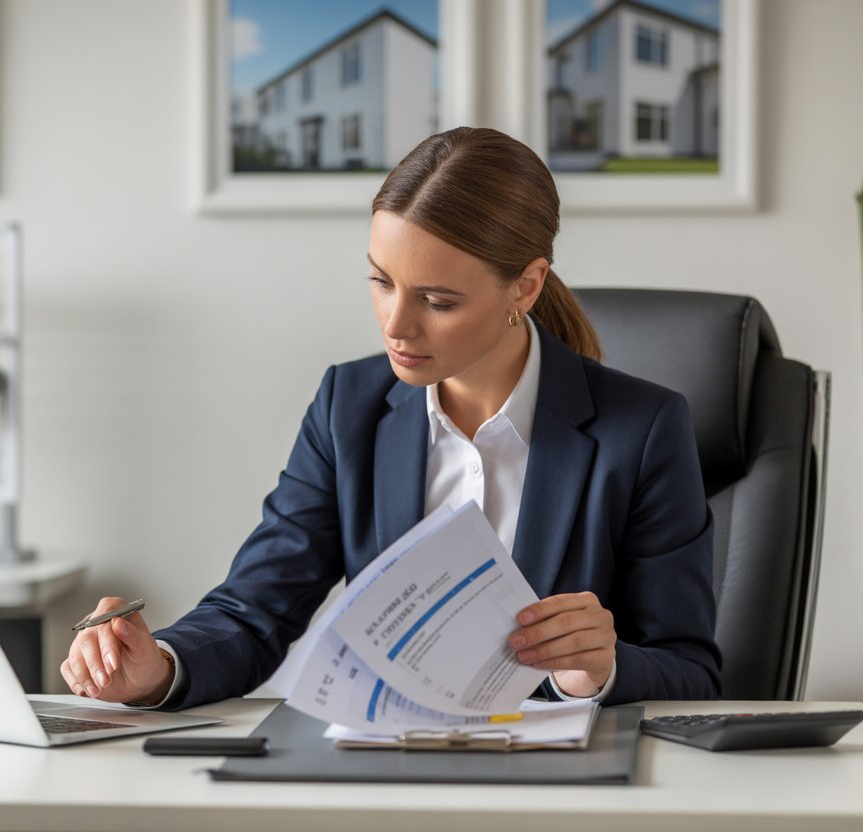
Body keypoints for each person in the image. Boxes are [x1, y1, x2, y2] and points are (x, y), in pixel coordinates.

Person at [62, 127, 721, 710]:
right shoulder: (349, 406)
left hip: (554, 791)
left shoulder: (642, 429)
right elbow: (256, 609)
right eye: (381, 282)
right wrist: (157, 669)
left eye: (437, 299)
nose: (396, 326)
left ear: (525, 285)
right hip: (378, 769)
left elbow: (693, 673)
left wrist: (595, 672)